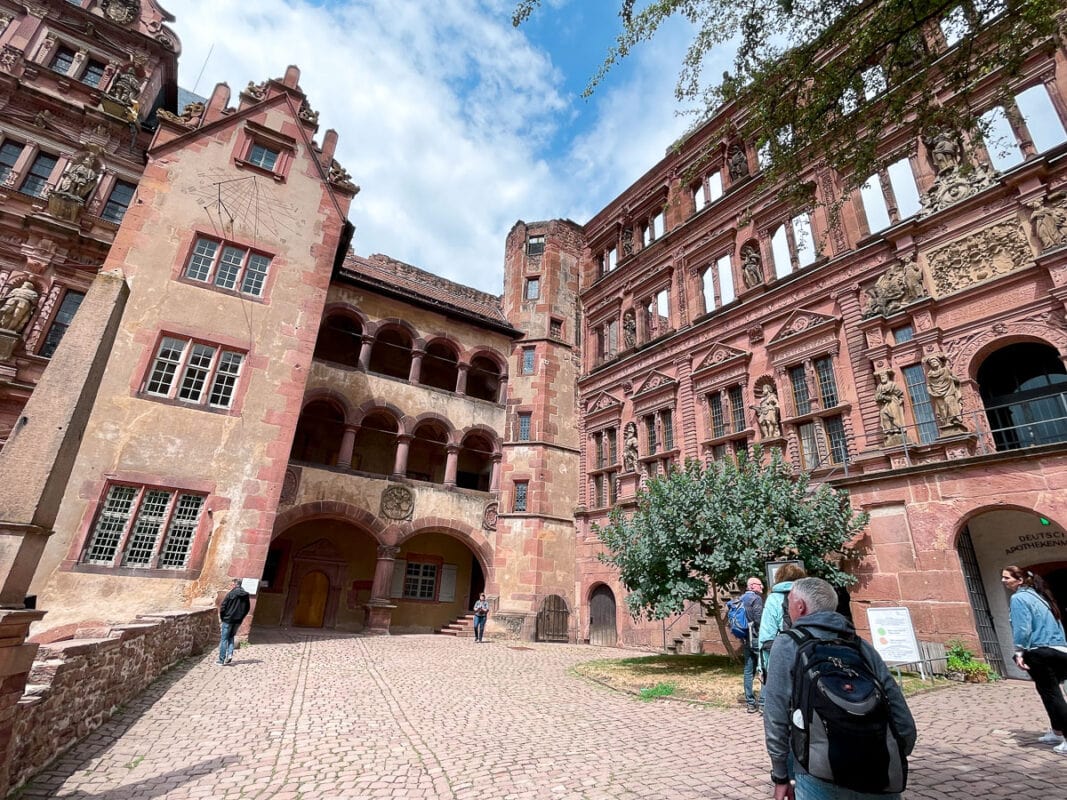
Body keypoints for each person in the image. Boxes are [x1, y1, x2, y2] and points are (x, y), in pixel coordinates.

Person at [763, 577, 917, 800]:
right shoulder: (860, 645)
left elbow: (776, 714)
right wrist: (894, 752)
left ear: (800, 606)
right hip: (878, 769)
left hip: (819, 772)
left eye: (789, 603)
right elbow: (898, 708)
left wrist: (780, 775)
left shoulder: (789, 643)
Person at [1001, 565, 1067, 753]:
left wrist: (1019, 651)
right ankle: (1057, 732)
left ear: (1019, 580)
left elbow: (1023, 628)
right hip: (1058, 649)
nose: (1003, 581)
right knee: (1049, 693)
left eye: (1007, 578)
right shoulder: (1041, 597)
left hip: (1040, 651)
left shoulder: (1019, 598)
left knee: (1053, 696)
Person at [757, 563, 807, 681]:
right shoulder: (808, 596)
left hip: (782, 660)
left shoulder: (774, 598)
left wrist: (762, 668)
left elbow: (766, 636)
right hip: (808, 657)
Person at [738, 576, 765, 712]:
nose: (762, 587)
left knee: (748, 671)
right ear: (753, 586)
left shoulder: (741, 599)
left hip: (745, 639)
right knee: (764, 668)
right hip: (756, 637)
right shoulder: (756, 599)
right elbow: (759, 619)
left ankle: (750, 703)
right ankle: (762, 703)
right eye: (760, 585)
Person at [218, 578, 251, 665]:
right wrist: (241, 617)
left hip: (228, 620)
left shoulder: (231, 594)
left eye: (232, 584)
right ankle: (229, 655)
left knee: (224, 639)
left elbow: (223, 607)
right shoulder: (246, 595)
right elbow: (247, 609)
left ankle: (221, 660)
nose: (230, 586)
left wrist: (223, 617)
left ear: (235, 585)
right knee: (231, 637)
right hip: (237, 621)